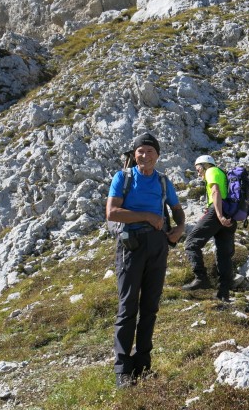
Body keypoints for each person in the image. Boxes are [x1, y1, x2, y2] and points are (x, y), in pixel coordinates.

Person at [106, 132, 185, 388]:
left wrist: (180, 227)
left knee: (150, 307)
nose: (145, 155)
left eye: (150, 151)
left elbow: (176, 208)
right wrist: (148, 217)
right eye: (140, 150)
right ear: (134, 154)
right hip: (131, 245)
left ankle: (142, 364)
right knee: (128, 306)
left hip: (158, 246)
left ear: (158, 155)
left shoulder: (163, 181)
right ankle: (122, 369)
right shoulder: (124, 177)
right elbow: (112, 212)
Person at [182, 155, 236, 302]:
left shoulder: (211, 171)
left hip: (217, 212)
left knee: (191, 243)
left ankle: (201, 278)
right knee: (224, 255)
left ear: (205, 165)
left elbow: (216, 192)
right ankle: (223, 294)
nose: (198, 173)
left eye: (198, 168)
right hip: (230, 214)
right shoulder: (221, 173)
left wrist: (219, 215)